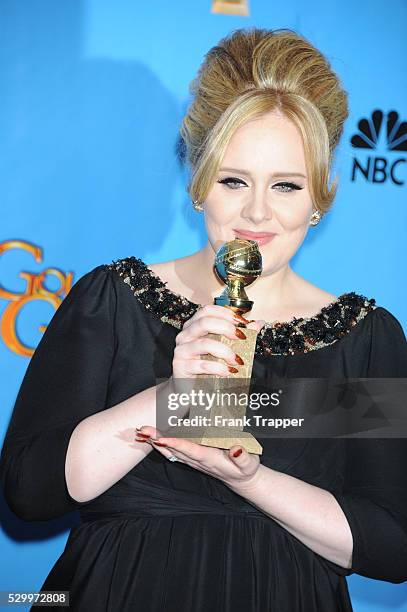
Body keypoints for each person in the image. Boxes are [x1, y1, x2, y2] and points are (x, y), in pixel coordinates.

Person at [1, 27, 407, 612]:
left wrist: (250, 481)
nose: (257, 212)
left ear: (322, 194)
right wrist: (172, 397)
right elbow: (30, 492)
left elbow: (391, 544)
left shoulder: (363, 339)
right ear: (198, 181)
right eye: (234, 180)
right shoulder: (111, 302)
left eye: (287, 185)